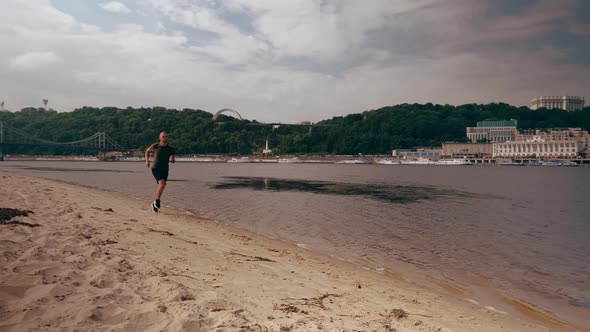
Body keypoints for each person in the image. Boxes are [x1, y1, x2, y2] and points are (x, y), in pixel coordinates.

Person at [145, 132, 175, 212]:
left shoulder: (171, 148)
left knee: (161, 185)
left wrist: (172, 159)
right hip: (156, 168)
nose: (165, 138)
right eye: (163, 136)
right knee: (162, 183)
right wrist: (147, 161)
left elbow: (172, 157)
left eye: (166, 136)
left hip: (165, 169)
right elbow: (147, 151)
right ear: (160, 138)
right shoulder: (155, 146)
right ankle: (157, 201)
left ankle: (154, 203)